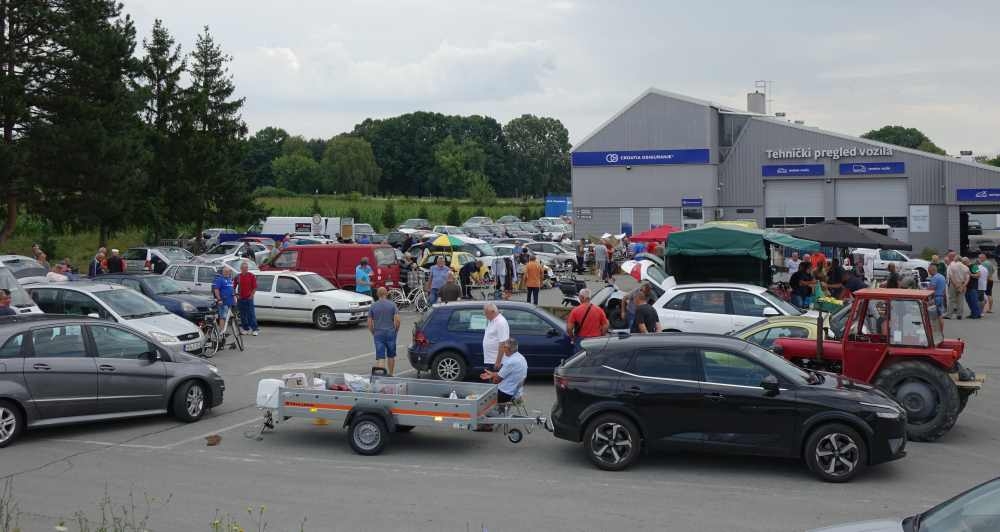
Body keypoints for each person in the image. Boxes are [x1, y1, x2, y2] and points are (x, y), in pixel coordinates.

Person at [481, 339, 528, 405]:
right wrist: (492, 374)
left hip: (506, 394)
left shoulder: (510, 361)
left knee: (481, 394)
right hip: (517, 393)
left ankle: (493, 410)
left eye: (504, 347)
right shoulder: (521, 357)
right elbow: (506, 374)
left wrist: (491, 378)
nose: (503, 349)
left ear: (508, 349)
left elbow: (496, 381)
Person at [368, 287, 400, 375]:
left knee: (380, 356)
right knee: (391, 355)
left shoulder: (373, 306)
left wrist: (373, 332)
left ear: (377, 294)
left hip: (378, 333)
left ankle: (381, 376)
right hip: (390, 332)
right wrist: (396, 330)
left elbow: (369, 322)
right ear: (386, 294)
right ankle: (391, 374)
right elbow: (397, 320)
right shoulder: (392, 305)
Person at [482, 303, 509, 372]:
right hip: (490, 359)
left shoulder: (500, 322)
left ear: (493, 312)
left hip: (496, 361)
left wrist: (498, 362)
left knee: (495, 378)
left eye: (486, 313)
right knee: (489, 377)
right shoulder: (492, 320)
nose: (485, 315)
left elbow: (503, 343)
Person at [234, 261, 260, 336]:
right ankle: (246, 329)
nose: (245, 269)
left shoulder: (251, 276)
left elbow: (254, 287)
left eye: (246, 268)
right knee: (242, 315)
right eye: (243, 268)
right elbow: (233, 286)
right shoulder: (238, 276)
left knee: (251, 314)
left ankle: (254, 329)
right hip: (240, 299)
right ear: (241, 268)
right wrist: (236, 295)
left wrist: (251, 295)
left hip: (249, 298)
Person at [945, 254, 970, 319]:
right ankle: (959, 315)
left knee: (951, 299)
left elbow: (951, 276)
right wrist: (963, 286)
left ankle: (949, 315)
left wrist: (956, 285)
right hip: (962, 284)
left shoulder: (952, 266)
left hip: (953, 284)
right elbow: (967, 278)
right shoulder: (966, 267)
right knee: (960, 300)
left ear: (955, 259)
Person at [212, 267, 237, 331]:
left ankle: (226, 330)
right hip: (223, 302)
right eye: (225, 271)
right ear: (223, 272)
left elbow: (232, 290)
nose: (226, 273)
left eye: (228, 272)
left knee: (229, 317)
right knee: (222, 317)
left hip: (230, 302)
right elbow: (216, 290)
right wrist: (219, 299)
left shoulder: (230, 280)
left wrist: (234, 298)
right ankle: (222, 331)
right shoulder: (220, 279)